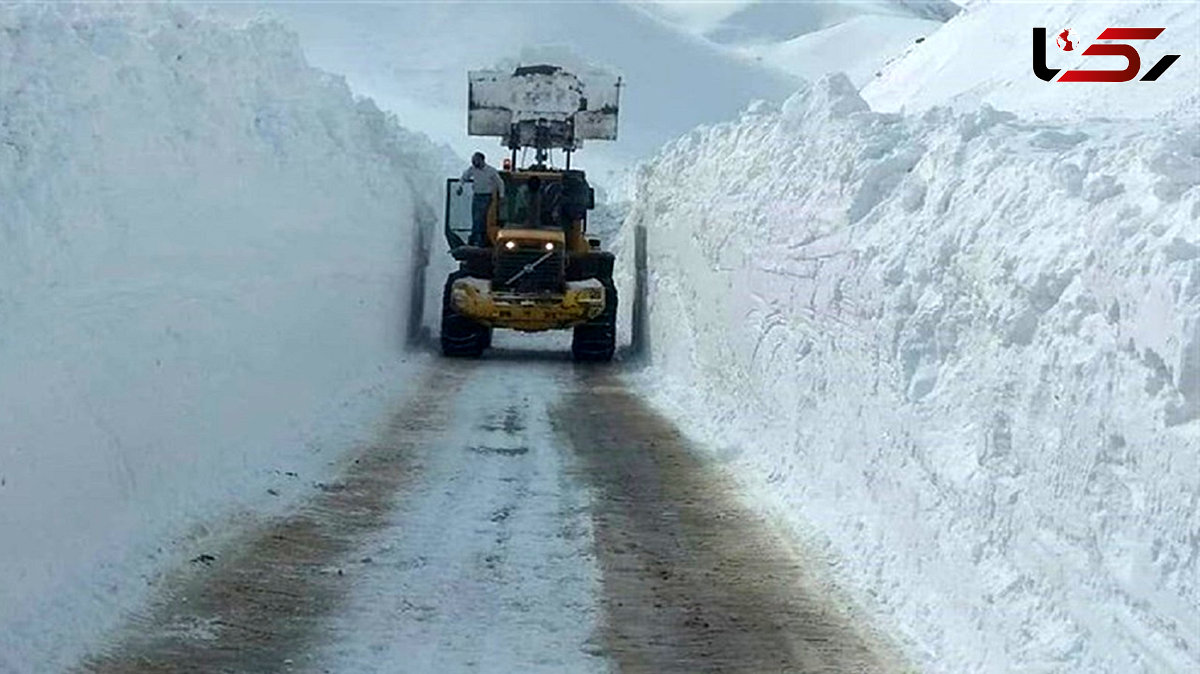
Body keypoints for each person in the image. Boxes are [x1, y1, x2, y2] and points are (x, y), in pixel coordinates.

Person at [458, 152, 505, 246]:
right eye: (473, 160)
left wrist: (501, 196)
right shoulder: (472, 169)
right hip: (477, 196)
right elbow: (464, 177)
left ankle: (483, 239)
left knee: (483, 218)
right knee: (475, 218)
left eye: (476, 160)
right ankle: (474, 238)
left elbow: (500, 183)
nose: (474, 162)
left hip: (487, 197)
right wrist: (460, 186)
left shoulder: (491, 171)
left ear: (482, 160)